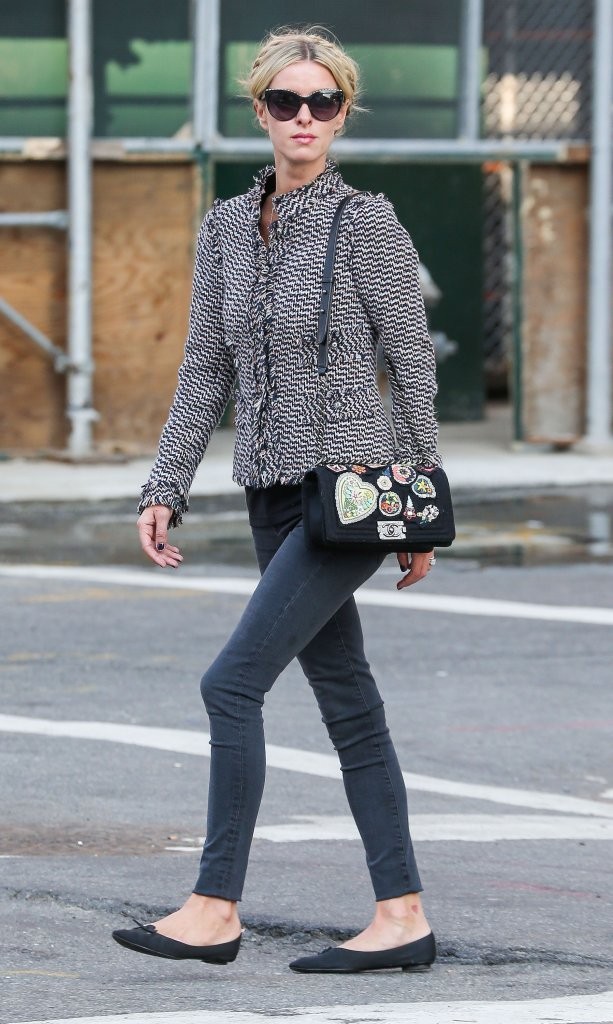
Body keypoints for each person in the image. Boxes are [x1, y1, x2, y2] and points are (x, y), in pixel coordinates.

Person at [112, 26, 441, 975]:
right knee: (347, 699)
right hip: (269, 491)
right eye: (287, 102)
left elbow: (410, 363)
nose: (305, 117)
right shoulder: (224, 228)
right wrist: (165, 485)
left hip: (350, 493)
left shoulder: (366, 223)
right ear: (260, 110)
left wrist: (420, 501)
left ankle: (213, 907)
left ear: (341, 113)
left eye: (322, 102)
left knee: (230, 685)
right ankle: (402, 915)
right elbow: (203, 370)